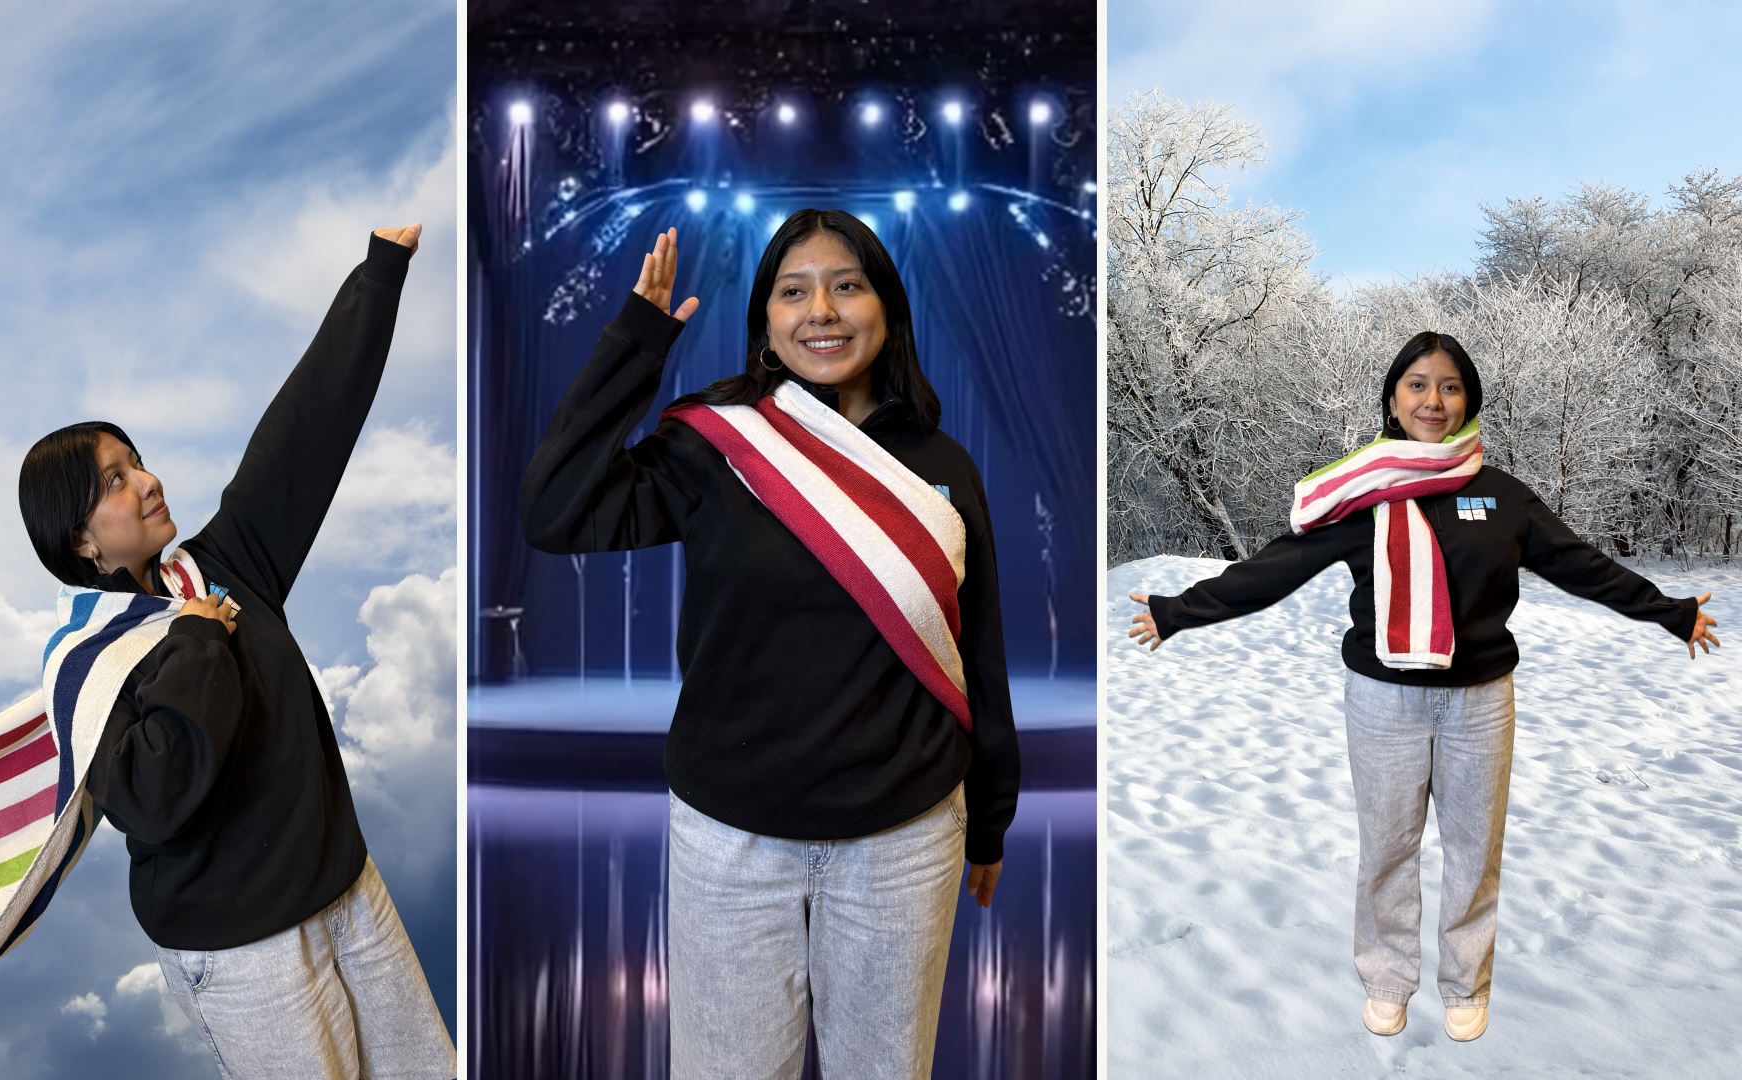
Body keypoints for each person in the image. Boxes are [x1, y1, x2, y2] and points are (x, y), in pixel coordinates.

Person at [521, 211, 1021, 1079]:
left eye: (847, 285)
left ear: (887, 309)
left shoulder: (943, 463)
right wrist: (634, 344)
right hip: (729, 840)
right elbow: (554, 510)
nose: (821, 310)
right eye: (794, 292)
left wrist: (990, 820)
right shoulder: (718, 445)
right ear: (766, 323)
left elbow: (977, 651)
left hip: (903, 839)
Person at [1127, 331, 1719, 1043]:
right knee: (1388, 845)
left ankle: (1466, 984)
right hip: (1383, 701)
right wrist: (1178, 612)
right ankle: (1386, 978)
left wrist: (1672, 612)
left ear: (1468, 400)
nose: (1432, 400)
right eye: (1416, 384)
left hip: (1481, 701)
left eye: (1449, 386)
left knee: (1474, 848)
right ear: (1392, 397)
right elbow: (1273, 569)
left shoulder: (1501, 497)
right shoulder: (1360, 497)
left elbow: (1583, 566)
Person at [16, 226, 455, 1080]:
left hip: (353, 897)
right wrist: (196, 640)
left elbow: (304, 432)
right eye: (115, 480)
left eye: (137, 461)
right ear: (80, 539)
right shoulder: (87, 664)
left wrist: (379, 271)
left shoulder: (228, 565)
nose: (147, 482)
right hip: (248, 957)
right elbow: (153, 796)